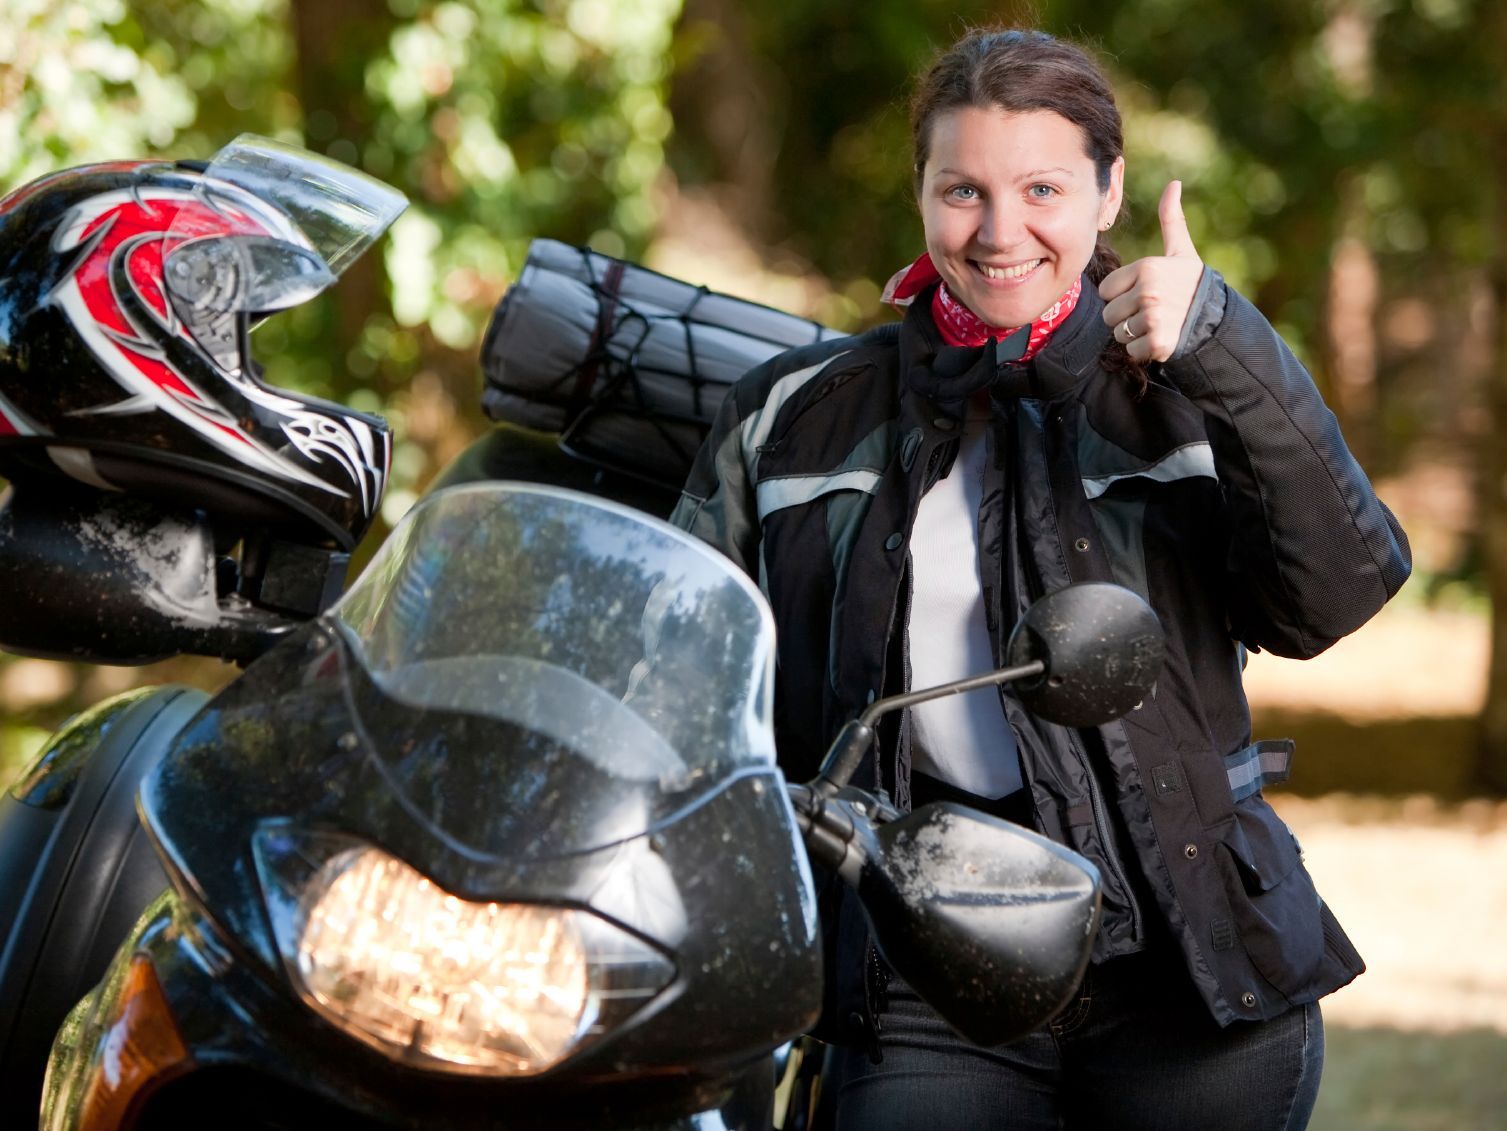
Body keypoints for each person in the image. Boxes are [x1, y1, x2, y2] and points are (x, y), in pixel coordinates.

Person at [670, 26, 1411, 1131]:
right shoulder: (792, 414)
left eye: (1043, 189)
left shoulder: (1190, 391)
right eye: (962, 190)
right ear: (921, 195)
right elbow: (682, 671)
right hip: (923, 968)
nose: (999, 230)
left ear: (1109, 194)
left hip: (1184, 964)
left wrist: (1225, 344)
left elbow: (1334, 597)